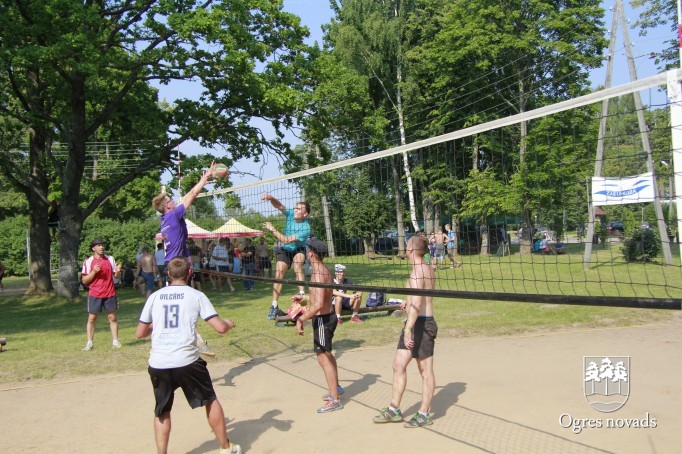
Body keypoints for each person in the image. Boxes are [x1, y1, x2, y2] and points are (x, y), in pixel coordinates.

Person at [135, 257, 242, 454]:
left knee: (162, 410)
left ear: (168, 274)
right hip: (187, 361)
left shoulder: (155, 297)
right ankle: (226, 448)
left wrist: (158, 325)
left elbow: (140, 333)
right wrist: (228, 323)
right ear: (190, 273)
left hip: (159, 362)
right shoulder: (196, 295)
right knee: (210, 400)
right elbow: (220, 328)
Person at [151, 161, 217, 358]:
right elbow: (192, 195)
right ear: (167, 206)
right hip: (176, 265)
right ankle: (193, 341)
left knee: (182, 304)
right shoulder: (172, 216)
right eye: (171, 199)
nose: (174, 201)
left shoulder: (165, 219)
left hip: (174, 265)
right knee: (184, 304)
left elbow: (188, 197)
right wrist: (204, 179)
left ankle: (192, 340)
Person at [373, 235, 437, 428]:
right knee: (398, 365)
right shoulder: (425, 268)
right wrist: (407, 302)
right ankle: (394, 409)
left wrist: (408, 328)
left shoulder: (418, 271)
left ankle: (424, 414)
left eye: (407, 244)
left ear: (411, 250)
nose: (405, 247)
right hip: (415, 321)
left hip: (422, 324)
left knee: (425, 371)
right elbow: (417, 298)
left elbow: (418, 302)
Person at [293, 239, 344, 414]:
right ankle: (336, 389)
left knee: (323, 358)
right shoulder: (322, 270)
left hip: (323, 319)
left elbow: (319, 304)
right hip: (326, 317)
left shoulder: (318, 274)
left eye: (307, 251)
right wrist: (303, 298)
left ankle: (334, 400)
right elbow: (318, 297)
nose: (306, 254)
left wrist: (301, 319)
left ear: (311, 254)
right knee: (327, 355)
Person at [261, 193, 311, 320]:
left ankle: (302, 295)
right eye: (295, 207)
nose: (295, 210)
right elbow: (279, 206)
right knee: (279, 273)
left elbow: (287, 240)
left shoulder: (306, 228)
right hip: (285, 249)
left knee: (298, 265)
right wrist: (271, 198)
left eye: (299, 209)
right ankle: (274, 305)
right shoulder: (290, 214)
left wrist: (272, 229)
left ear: (305, 214)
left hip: (298, 248)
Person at [81, 238, 123, 351]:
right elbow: (84, 280)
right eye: (99, 245)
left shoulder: (110, 259)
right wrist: (94, 272)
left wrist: (118, 271)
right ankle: (90, 343)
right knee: (92, 318)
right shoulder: (88, 262)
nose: (101, 247)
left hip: (109, 292)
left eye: (102, 245)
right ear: (93, 248)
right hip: (95, 293)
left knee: (112, 317)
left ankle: (115, 341)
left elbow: (116, 277)